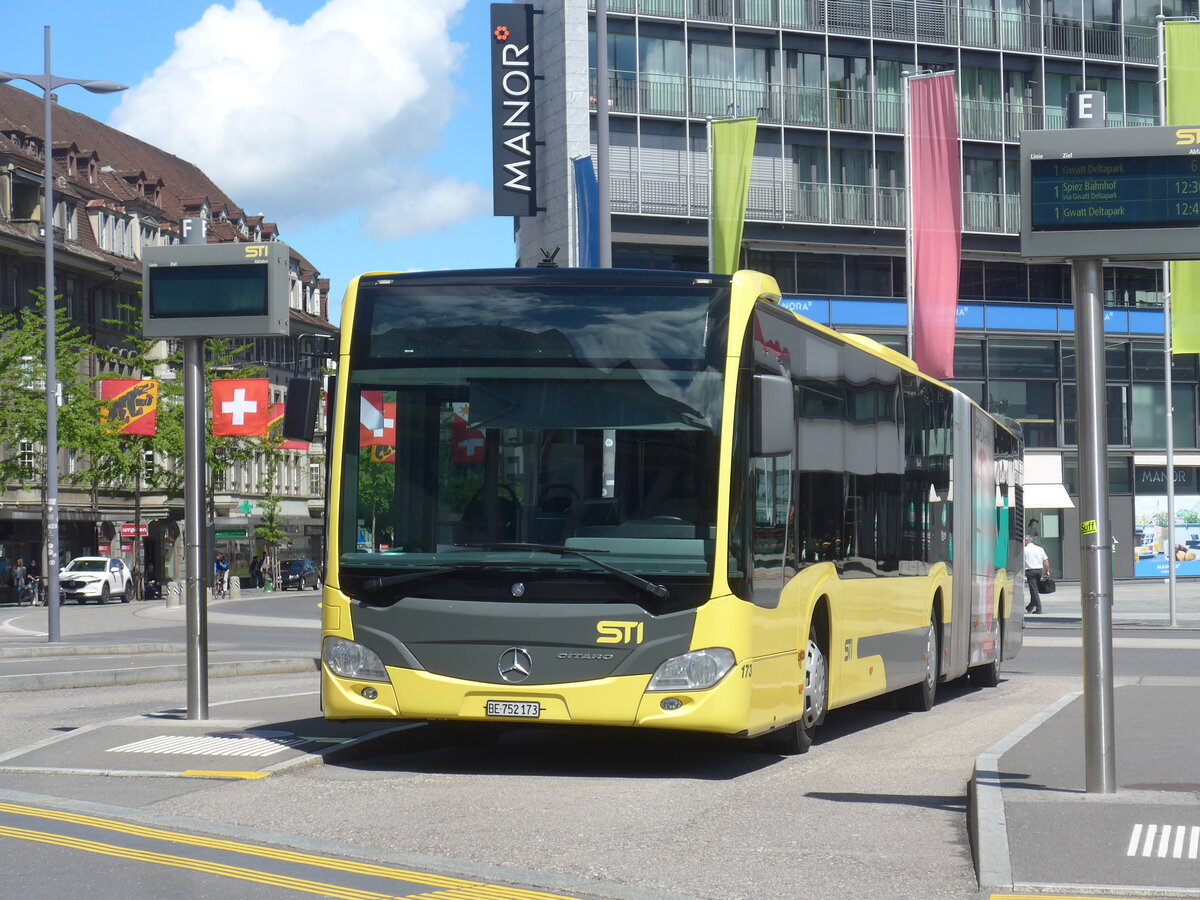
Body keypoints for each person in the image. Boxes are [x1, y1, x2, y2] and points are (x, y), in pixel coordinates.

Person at [1024, 536, 1050, 614]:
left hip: (1030, 571)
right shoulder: (1040, 549)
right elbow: (1045, 561)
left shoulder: (1025, 550)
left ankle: (1039, 608)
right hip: (1039, 571)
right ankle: (1030, 607)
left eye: (1024, 541)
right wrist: (1047, 571)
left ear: (1027, 541)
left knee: (1033, 590)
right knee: (1035, 589)